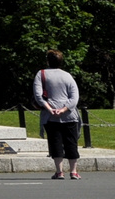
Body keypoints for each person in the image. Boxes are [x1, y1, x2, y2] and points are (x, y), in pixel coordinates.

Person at [34, 49, 82, 179]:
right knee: (71, 142)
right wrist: (64, 109)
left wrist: (50, 109)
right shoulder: (67, 76)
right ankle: (74, 171)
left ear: (48, 61)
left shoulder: (41, 74)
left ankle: (59, 171)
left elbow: (38, 96)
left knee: (55, 142)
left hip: (50, 116)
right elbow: (74, 97)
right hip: (69, 116)